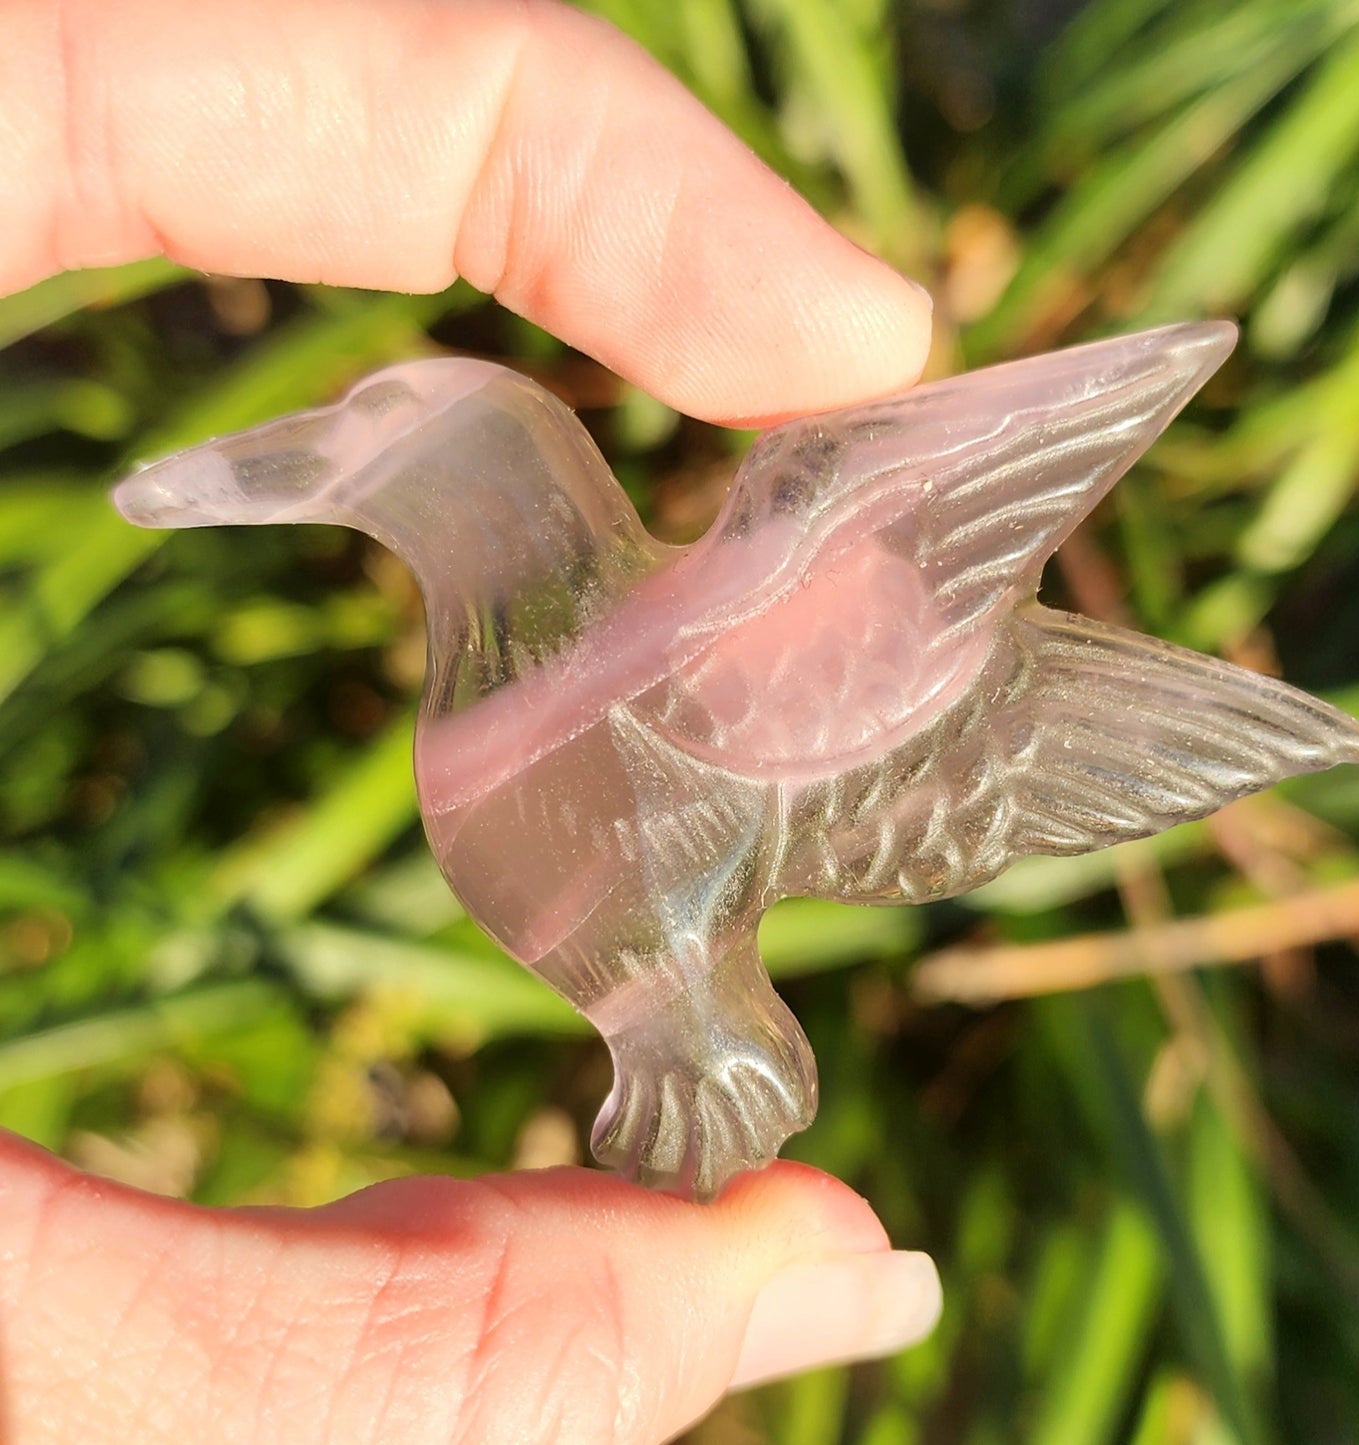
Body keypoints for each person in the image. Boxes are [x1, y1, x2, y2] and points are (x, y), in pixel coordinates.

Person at [0, 1, 941, 1441]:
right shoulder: (507, 673)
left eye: (383, 436)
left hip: (690, 1015)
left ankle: (680, 1064)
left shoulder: (653, 658)